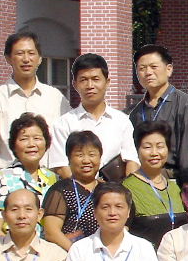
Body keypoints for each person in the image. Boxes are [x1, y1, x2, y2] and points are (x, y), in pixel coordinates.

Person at [0, 32, 70, 172]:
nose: (26, 59)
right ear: (8, 58)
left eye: (31, 53)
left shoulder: (56, 98)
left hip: (49, 180)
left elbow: (67, 144)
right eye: (20, 53)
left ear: (39, 58)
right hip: (8, 180)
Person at [47, 54, 139, 182]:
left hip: (116, 190)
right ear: (75, 84)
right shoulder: (63, 124)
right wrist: (90, 188)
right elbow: (61, 167)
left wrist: (123, 190)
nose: (90, 85)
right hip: (78, 191)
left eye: (96, 79)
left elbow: (132, 161)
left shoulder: (122, 121)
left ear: (107, 82)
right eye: (83, 80)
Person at [129, 44, 188, 184]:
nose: (148, 72)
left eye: (153, 67)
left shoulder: (184, 104)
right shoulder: (136, 112)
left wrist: (187, 189)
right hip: (142, 180)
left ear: (169, 69)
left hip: (173, 180)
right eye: (142, 68)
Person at [0, 113, 57, 240]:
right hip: (12, 249)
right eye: (24, 139)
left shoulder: (53, 179)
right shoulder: (3, 178)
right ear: (14, 145)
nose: (31, 144)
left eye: (37, 138)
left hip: (47, 249)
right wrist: (19, 249)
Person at [123, 121, 188, 246]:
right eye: (147, 147)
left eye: (160, 146)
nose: (154, 153)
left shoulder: (176, 187)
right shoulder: (126, 189)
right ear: (137, 150)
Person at [41, 131, 104, 251]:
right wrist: (76, 254)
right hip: (67, 254)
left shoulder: (108, 190)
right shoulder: (61, 190)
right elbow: (51, 232)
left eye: (92, 154)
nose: (86, 160)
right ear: (69, 159)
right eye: (80, 155)